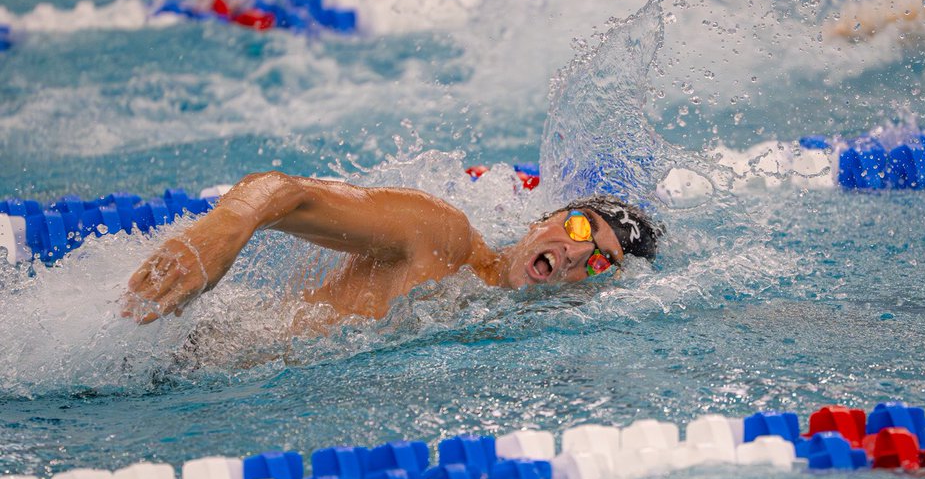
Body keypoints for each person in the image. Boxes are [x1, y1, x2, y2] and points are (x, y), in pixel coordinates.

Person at [122, 171, 661, 325]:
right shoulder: (443, 237)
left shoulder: (498, 320)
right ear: (544, 219)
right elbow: (286, 193)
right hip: (174, 343)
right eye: (581, 229)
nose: (572, 252)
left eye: (598, 260)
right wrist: (216, 237)